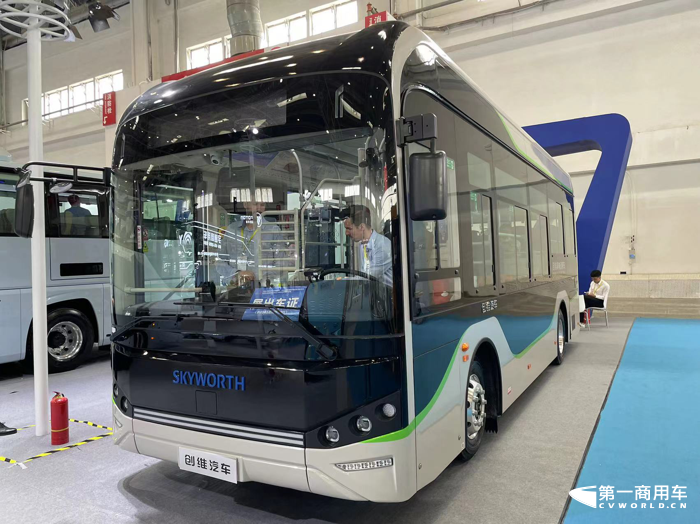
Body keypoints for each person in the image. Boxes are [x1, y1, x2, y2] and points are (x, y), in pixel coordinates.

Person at [216, 200, 281, 288]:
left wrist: (260, 279)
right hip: (236, 288)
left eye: (262, 205)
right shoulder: (232, 229)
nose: (259, 208)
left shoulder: (273, 230)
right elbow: (220, 261)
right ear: (245, 204)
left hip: (264, 289)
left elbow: (281, 263)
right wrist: (236, 274)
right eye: (255, 204)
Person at [340, 204, 392, 286]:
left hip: (389, 292)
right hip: (374, 290)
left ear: (362, 227)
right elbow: (364, 274)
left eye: (349, 229)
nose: (346, 233)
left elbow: (368, 277)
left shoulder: (382, 245)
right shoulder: (363, 244)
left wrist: (343, 281)